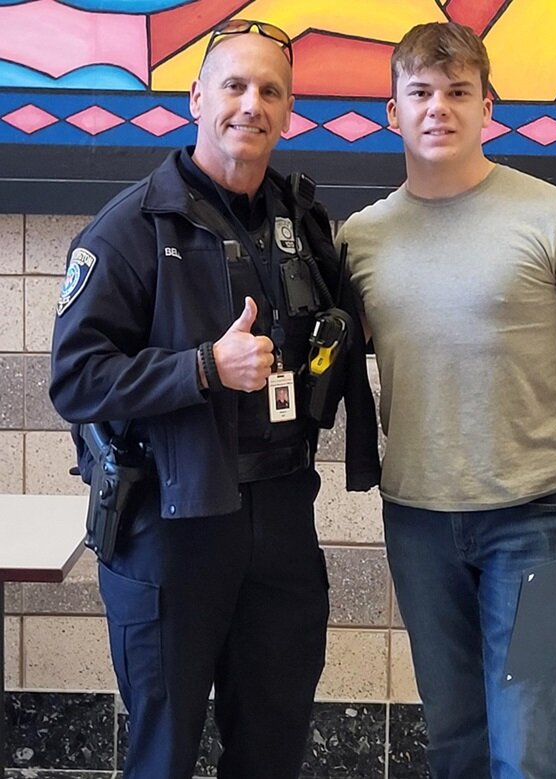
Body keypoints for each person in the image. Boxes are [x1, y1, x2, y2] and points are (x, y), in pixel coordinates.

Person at [50, 19, 380, 779]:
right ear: (196, 95)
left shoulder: (302, 222)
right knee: (163, 754)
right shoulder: (130, 229)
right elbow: (75, 379)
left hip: (281, 522)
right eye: (233, 84)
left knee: (272, 747)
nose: (250, 104)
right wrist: (202, 367)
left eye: (270, 90)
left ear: (288, 109)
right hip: (169, 526)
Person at [337, 21, 556, 779]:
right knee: (455, 741)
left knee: (527, 748)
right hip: (417, 521)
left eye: (457, 91)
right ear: (392, 111)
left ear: (489, 107)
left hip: (534, 519)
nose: (438, 107)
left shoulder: (551, 214)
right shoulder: (359, 238)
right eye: (419, 92)